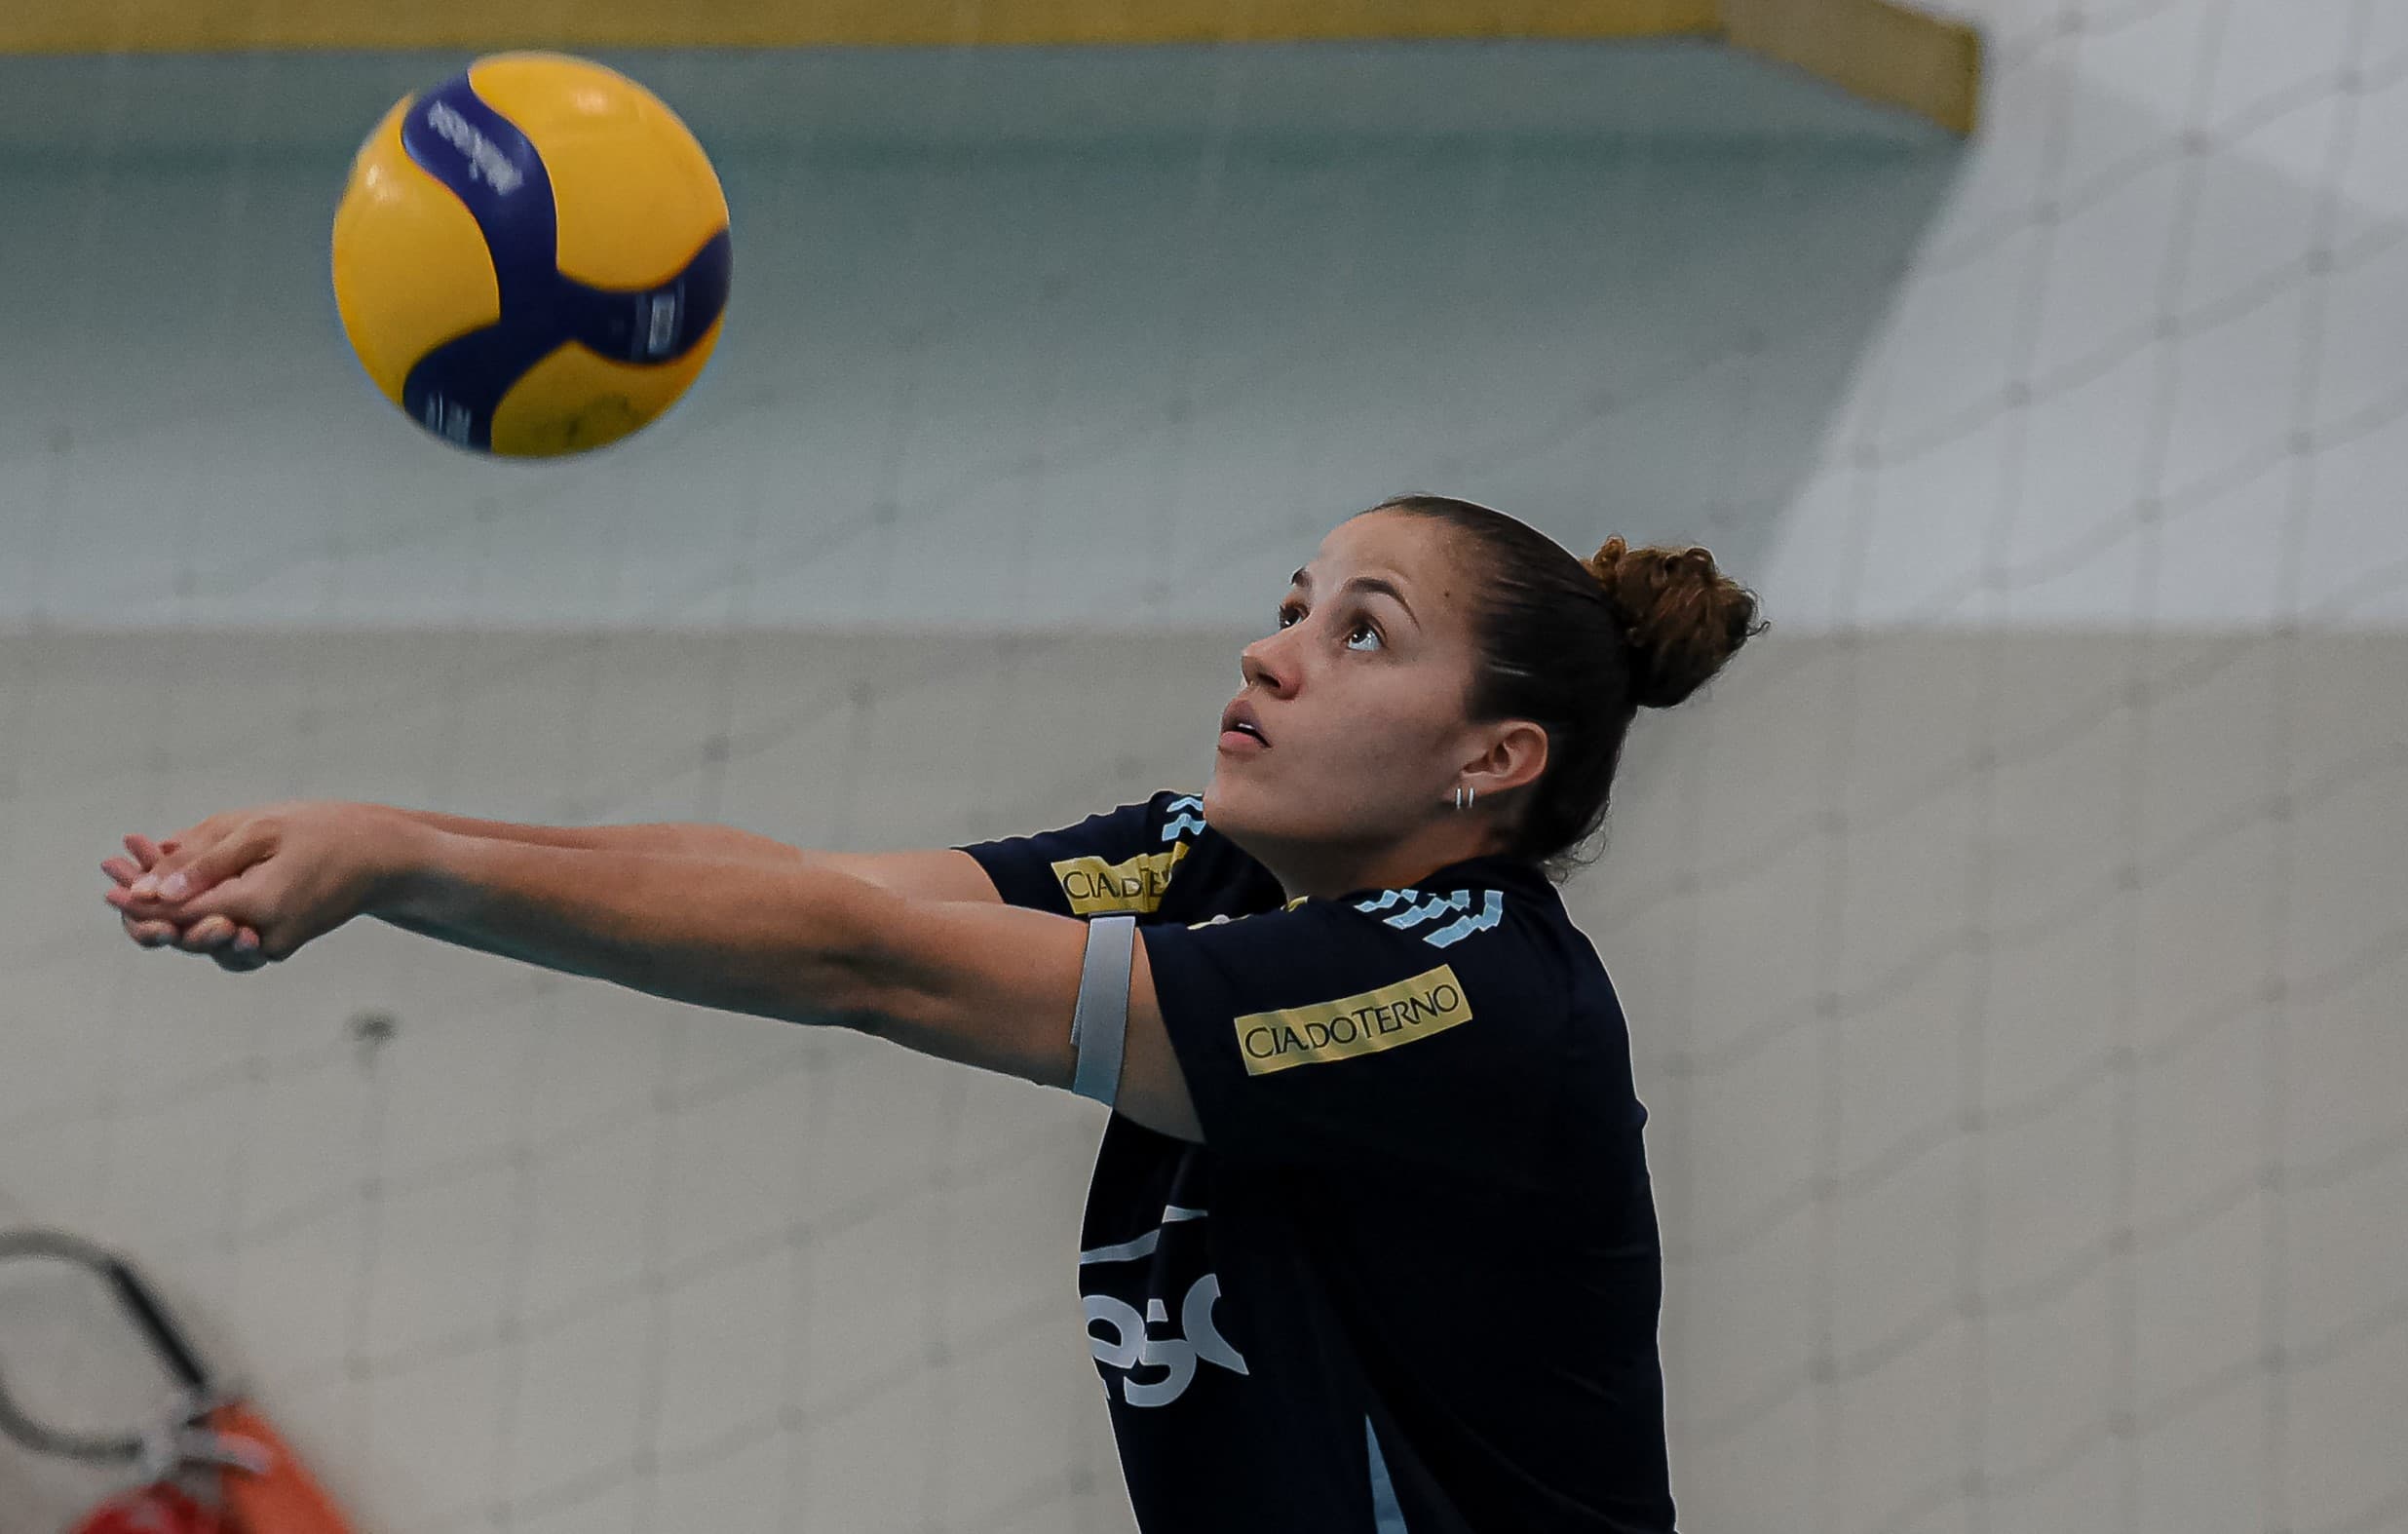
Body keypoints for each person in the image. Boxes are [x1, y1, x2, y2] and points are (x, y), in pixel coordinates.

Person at [104, 494, 1760, 1533]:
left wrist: (402, 864)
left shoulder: (1464, 988)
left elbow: (863, 966)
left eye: (1360, 631)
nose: (1271, 654)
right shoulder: (1214, 866)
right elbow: (810, 888)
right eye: (1293, 600)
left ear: (1495, 760)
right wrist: (387, 843)